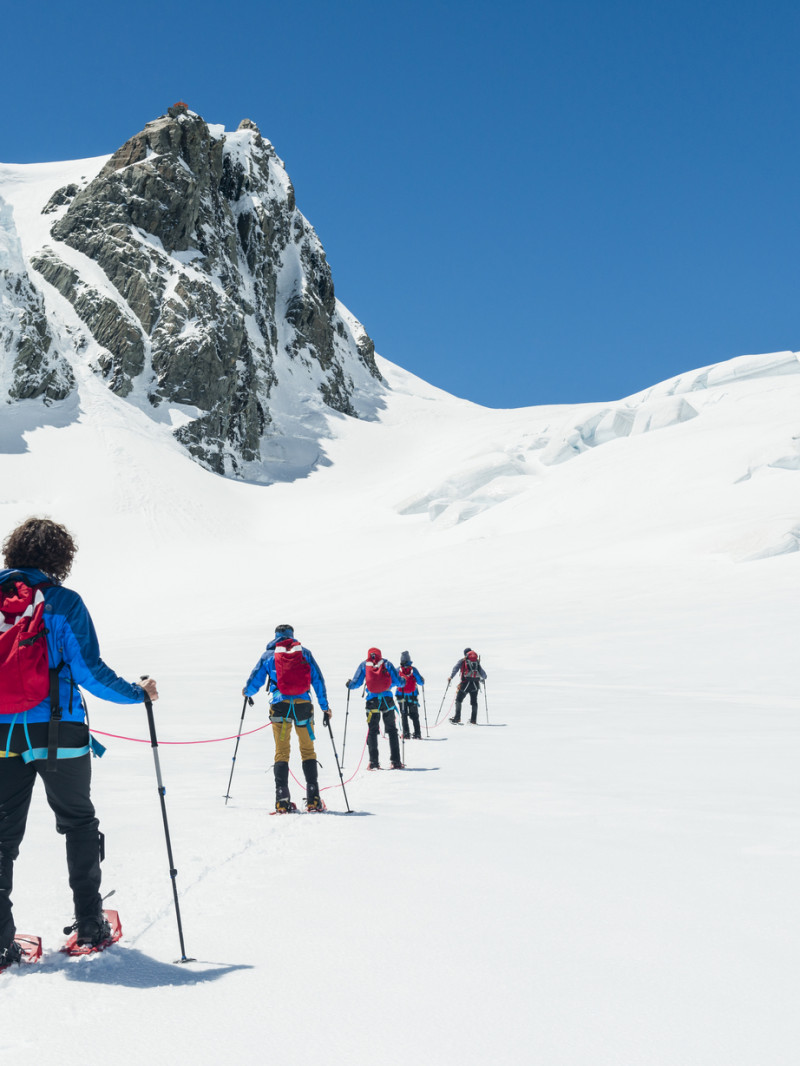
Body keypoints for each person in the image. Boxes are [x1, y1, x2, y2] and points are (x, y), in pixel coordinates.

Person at [0, 517, 159, 968]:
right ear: (59, 557)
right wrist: (138, 693)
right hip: (60, 734)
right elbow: (90, 673)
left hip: (2, 736)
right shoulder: (63, 602)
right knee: (77, 822)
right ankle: (90, 923)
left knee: (1, 835)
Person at [243, 624, 331, 812]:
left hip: (279, 706)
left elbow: (255, 680)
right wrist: (325, 707)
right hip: (303, 706)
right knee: (307, 750)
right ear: (292, 635)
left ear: (275, 636)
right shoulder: (304, 653)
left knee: (281, 752)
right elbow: (318, 680)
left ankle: (282, 800)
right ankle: (313, 799)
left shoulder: (268, 656)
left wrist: (247, 691)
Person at [347, 648, 403, 769]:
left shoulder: (364, 665)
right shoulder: (387, 664)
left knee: (372, 731)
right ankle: (396, 761)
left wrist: (349, 684)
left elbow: (356, 683)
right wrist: (402, 682)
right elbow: (398, 682)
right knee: (392, 730)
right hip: (387, 701)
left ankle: (373, 762)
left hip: (372, 702)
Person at [448, 648, 486, 724]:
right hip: (475, 685)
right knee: (474, 702)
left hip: (465, 684)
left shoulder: (462, 661)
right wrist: (482, 679)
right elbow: (484, 675)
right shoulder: (476, 662)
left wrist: (451, 677)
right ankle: (473, 720)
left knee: (459, 700)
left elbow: (455, 669)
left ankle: (457, 718)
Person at [396, 651, 425, 739]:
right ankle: (417, 734)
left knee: (404, 715)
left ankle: (406, 734)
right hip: (413, 695)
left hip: (401, 696)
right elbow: (420, 682)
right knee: (415, 715)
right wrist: (422, 680)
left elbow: (393, 682)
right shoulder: (413, 670)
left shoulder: (397, 670)